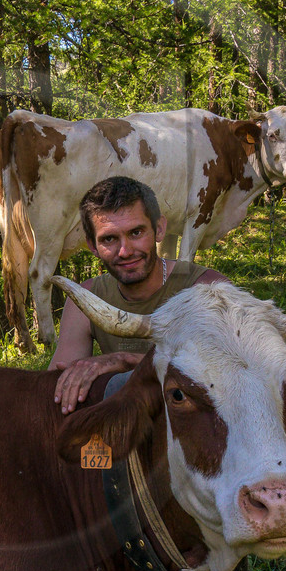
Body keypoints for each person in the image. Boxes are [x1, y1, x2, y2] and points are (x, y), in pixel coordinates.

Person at [50, 177, 226, 413]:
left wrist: (125, 360)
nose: (125, 251)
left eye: (136, 232)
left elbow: (229, 374)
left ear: (159, 229)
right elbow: (60, 382)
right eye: (109, 239)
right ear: (92, 245)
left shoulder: (207, 288)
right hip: (128, 421)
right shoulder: (87, 297)